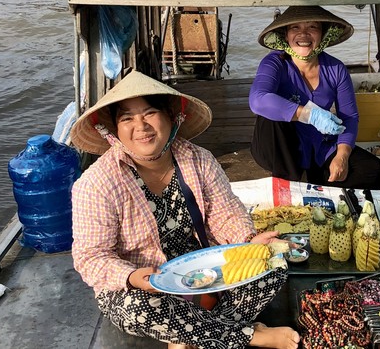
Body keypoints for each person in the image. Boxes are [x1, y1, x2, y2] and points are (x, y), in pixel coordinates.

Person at [69, 70, 300, 349]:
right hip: (146, 284)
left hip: (203, 271)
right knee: (141, 307)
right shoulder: (96, 183)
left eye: (150, 113)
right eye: (126, 118)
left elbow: (225, 214)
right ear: (114, 131)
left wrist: (250, 241)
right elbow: (91, 257)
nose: (140, 126)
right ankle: (249, 335)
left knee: (272, 265)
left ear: (172, 117)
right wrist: (130, 277)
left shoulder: (199, 159)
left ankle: (189, 335)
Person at [248, 6, 380, 190]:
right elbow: (257, 100)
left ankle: (319, 180)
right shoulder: (275, 62)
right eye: (295, 28)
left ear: (324, 34)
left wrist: (341, 156)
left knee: (373, 170)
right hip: (279, 147)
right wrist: (309, 115)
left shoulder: (336, 69)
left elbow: (350, 117)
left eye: (312, 27)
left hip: (319, 144)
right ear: (285, 34)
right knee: (271, 113)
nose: (303, 35)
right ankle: (289, 181)